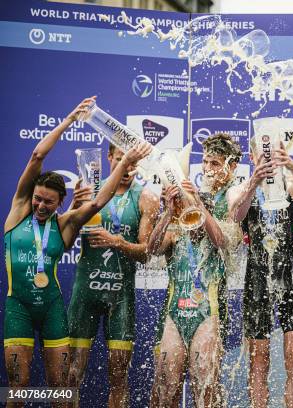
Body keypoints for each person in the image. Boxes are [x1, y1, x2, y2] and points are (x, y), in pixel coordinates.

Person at [3, 96, 151, 406]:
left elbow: (97, 203)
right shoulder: (18, 213)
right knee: (19, 385)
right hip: (19, 307)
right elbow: (36, 156)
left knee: (61, 385)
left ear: (60, 203)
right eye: (37, 199)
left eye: (48, 202)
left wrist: (125, 161)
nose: (41, 206)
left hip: (54, 308)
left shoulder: (65, 222)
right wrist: (69, 120)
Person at [147, 133, 243, 408]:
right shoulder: (179, 221)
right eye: (206, 162)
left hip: (208, 312)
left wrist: (198, 204)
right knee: (166, 389)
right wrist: (168, 212)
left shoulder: (226, 208)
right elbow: (152, 250)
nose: (209, 169)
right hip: (174, 313)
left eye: (215, 163)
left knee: (206, 391)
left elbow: (223, 241)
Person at [227, 135, 293, 408]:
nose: (268, 161)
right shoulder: (240, 188)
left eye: (273, 155)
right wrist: (255, 181)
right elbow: (235, 217)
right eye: (262, 156)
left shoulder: (290, 185)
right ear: (252, 158)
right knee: (259, 360)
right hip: (257, 277)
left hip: (290, 276)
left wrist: (292, 167)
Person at [66, 143, 159, 407]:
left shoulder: (146, 198)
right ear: (109, 158)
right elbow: (63, 236)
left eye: (132, 163)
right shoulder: (91, 189)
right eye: (121, 160)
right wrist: (74, 209)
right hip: (86, 294)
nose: (128, 168)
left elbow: (145, 253)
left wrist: (116, 241)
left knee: (119, 378)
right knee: (71, 375)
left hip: (121, 299)